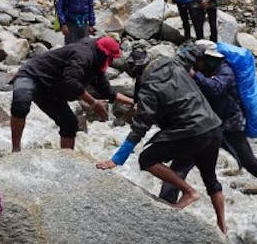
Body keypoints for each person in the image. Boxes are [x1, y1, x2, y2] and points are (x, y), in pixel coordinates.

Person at [96, 44, 227, 234]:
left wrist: (117, 159)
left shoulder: (148, 88)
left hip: (191, 132)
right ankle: (222, 228)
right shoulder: (174, 63)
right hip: (213, 127)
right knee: (211, 179)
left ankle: (189, 192)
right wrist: (205, 50)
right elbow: (193, 52)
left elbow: (140, 127)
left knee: (147, 159)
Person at [161, 45, 257, 217]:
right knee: (180, 165)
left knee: (251, 164)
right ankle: (165, 205)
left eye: (199, 60)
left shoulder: (225, 70)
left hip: (229, 127)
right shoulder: (204, 70)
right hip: (205, 126)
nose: (197, 64)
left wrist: (196, 76)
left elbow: (215, 88)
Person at [10, 36, 133, 152]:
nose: (111, 61)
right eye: (110, 57)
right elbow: (71, 82)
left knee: (70, 124)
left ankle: (66, 159)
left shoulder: (96, 66)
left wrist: (134, 103)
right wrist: (93, 103)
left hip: (51, 90)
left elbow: (109, 93)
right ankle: (15, 150)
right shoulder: (83, 55)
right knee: (21, 103)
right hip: (31, 75)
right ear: (103, 53)